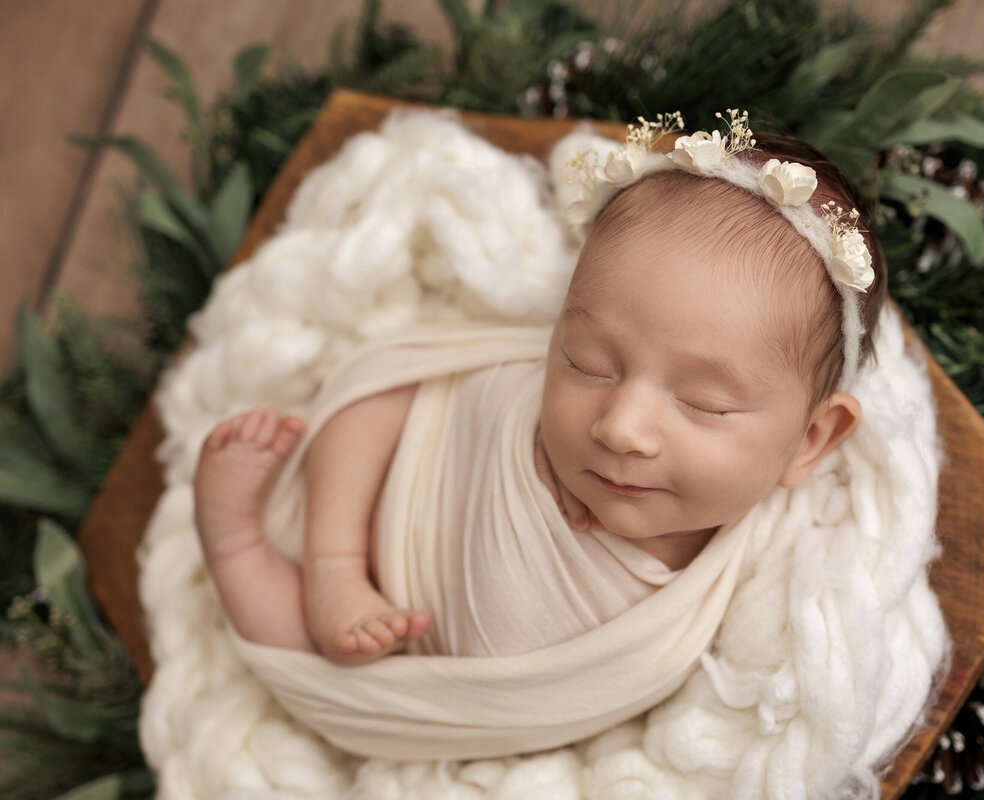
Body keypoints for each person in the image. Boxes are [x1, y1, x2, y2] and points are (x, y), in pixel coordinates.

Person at [192, 116, 887, 669]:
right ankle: (293, 557)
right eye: (588, 362)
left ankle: (247, 556)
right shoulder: (531, 411)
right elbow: (463, 397)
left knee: (330, 672)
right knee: (380, 399)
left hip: (429, 676)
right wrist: (537, 457)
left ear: (811, 440)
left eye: (703, 404)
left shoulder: (768, 589)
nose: (620, 428)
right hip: (391, 486)